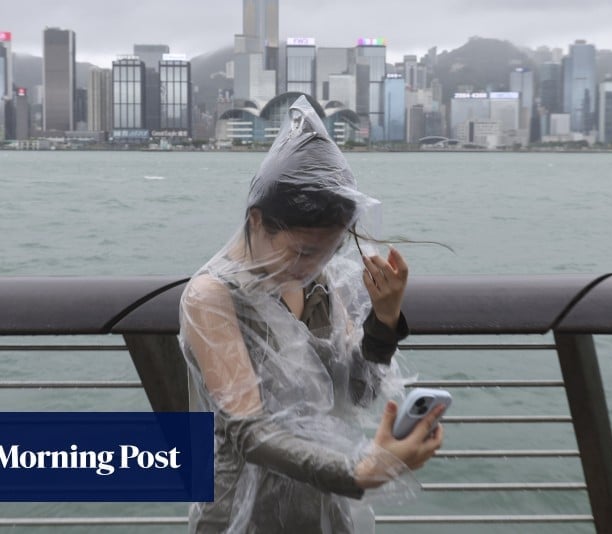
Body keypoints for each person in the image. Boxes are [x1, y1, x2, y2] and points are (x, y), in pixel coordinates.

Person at [178, 95, 446, 533]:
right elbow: (249, 433)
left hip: (322, 508)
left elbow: (354, 392)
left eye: (329, 250)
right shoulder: (212, 297)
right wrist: (359, 471)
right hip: (242, 517)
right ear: (257, 221)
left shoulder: (318, 286)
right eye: (302, 250)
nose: (312, 265)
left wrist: (384, 318)